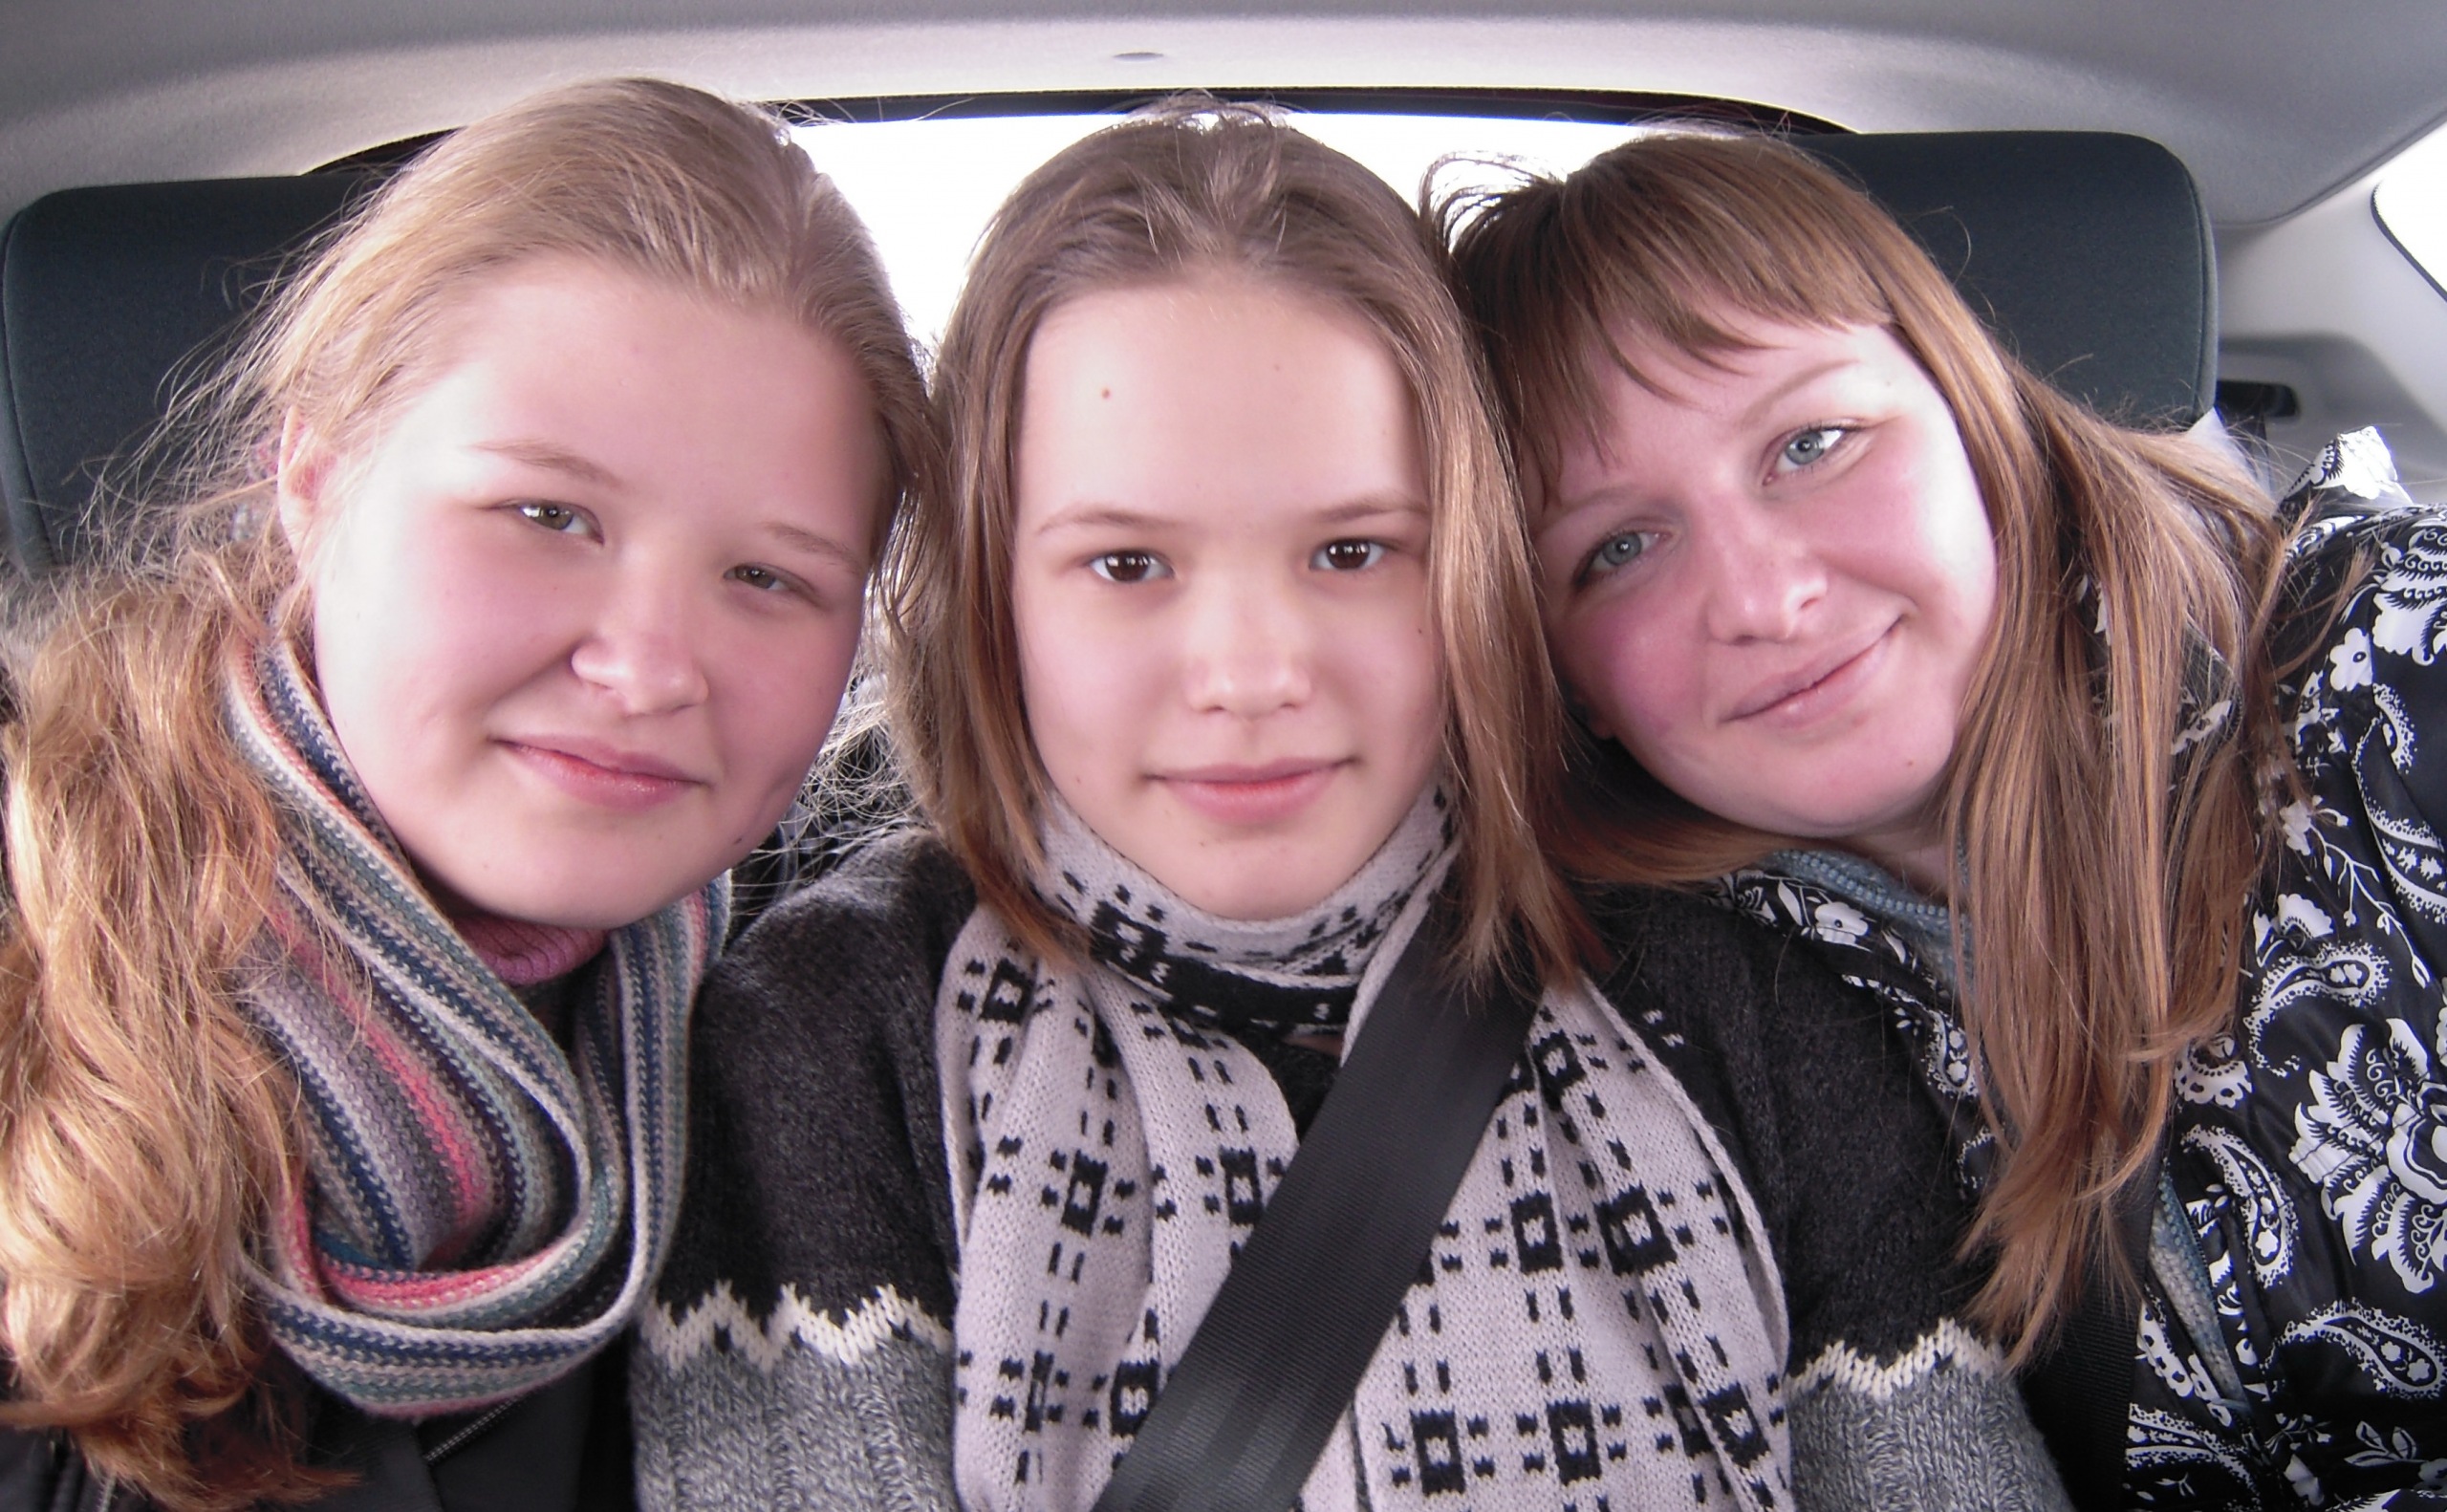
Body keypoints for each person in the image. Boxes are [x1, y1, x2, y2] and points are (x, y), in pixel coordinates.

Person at [637, 102, 2064, 1512]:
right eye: (1127, 565)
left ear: (1473, 569)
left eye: (1353, 551)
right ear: (989, 596)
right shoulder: (840, 1032)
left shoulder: (1744, 1007)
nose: (1252, 676)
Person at [1448, 130, 2447, 1506]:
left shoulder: (2400, 669)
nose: (1764, 597)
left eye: (1811, 443)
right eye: (1617, 548)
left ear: (1970, 407)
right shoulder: (1665, 1034)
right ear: (1566, 680)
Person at [0, 77, 930, 1512]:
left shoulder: (826, 1047)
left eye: (768, 576)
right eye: (547, 515)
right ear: (312, 480)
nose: (648, 668)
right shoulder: (38, 965)